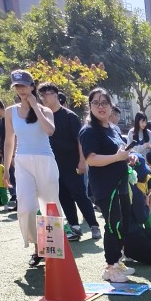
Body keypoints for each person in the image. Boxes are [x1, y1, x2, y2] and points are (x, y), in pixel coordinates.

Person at [3, 69, 60, 268]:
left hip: (45, 161)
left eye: (24, 85)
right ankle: (37, 247)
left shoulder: (45, 110)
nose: (21, 89)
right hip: (22, 162)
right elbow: (9, 141)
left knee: (49, 206)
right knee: (26, 207)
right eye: (17, 86)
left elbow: (50, 131)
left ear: (32, 86)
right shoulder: (10, 111)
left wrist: (35, 106)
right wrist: (6, 169)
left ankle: (51, 249)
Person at [79, 86, 136, 284]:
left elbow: (119, 152)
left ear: (111, 106)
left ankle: (117, 261)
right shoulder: (88, 130)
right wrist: (117, 157)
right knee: (113, 225)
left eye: (104, 103)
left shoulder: (113, 128)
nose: (101, 106)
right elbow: (91, 159)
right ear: (90, 106)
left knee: (123, 224)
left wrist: (128, 158)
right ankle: (111, 267)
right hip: (105, 187)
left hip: (121, 184)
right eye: (96, 103)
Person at [37, 82, 101, 242]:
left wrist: (82, 161)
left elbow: (79, 140)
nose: (44, 98)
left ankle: (94, 225)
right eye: (41, 95)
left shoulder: (69, 116)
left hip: (72, 163)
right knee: (63, 196)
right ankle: (74, 227)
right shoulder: (43, 117)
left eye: (46, 94)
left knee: (79, 194)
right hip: (53, 164)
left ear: (56, 95)